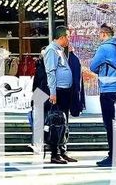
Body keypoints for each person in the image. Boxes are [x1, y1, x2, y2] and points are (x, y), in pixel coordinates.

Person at [90, 23, 116, 168]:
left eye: (100, 33)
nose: (99, 36)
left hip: (108, 88)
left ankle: (113, 157)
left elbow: (93, 66)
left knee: (110, 124)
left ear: (104, 34)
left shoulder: (104, 48)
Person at [42, 27, 74, 164]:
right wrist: (53, 93)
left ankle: (63, 150)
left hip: (65, 91)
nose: (69, 39)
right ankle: (55, 153)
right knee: (56, 122)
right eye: (68, 37)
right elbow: (51, 72)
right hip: (58, 91)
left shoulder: (60, 50)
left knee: (64, 122)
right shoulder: (52, 50)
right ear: (61, 37)